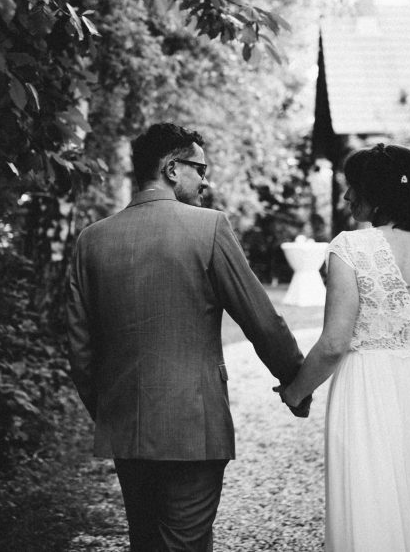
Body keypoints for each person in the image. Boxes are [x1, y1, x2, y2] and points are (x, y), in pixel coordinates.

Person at [67, 122, 309, 551]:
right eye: (200, 169)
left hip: (126, 428)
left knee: (145, 541)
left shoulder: (91, 241)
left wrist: (110, 412)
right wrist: (296, 380)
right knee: (187, 543)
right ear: (172, 169)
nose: (206, 181)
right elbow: (262, 320)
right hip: (192, 428)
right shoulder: (209, 228)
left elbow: (80, 350)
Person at [280, 143, 410, 551]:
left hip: (367, 390)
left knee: (370, 504)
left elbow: (334, 344)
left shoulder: (350, 248)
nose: (346, 196)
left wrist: (295, 391)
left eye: (352, 187)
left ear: (375, 193)